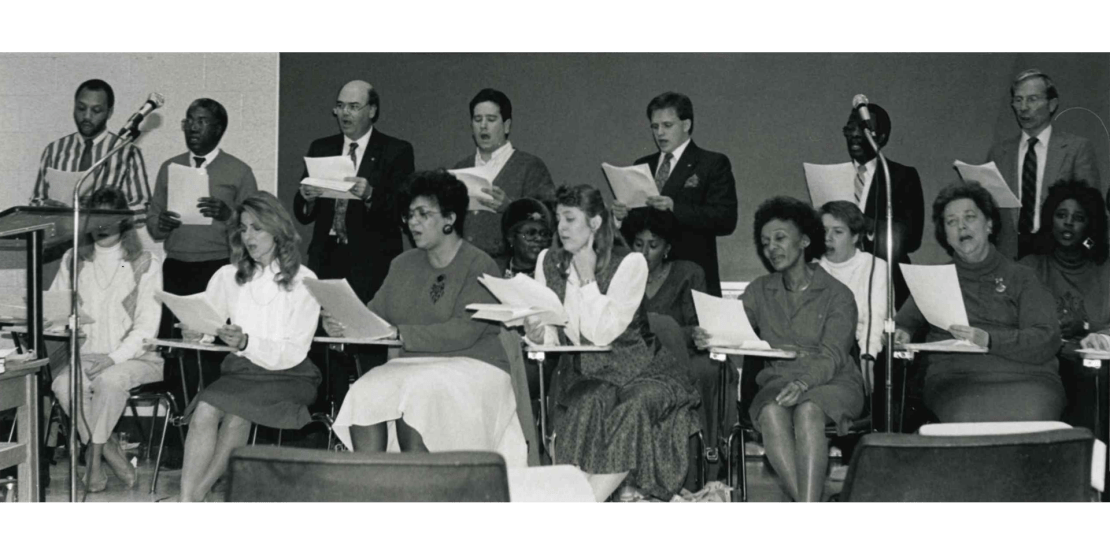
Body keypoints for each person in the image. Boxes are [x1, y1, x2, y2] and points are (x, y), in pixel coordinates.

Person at [330, 171, 527, 468]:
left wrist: (400, 333)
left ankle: (422, 495)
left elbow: (465, 332)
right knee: (365, 390)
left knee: (417, 394)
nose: (413, 222)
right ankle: (368, 490)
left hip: (474, 365)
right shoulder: (402, 264)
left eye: (423, 214)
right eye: (410, 215)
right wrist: (346, 325)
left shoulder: (479, 263)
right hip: (412, 366)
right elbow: (374, 315)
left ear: (449, 218)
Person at [524, 184, 700, 502]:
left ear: (594, 223)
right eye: (559, 219)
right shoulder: (547, 261)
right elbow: (553, 329)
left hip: (643, 370)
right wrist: (538, 334)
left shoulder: (630, 264)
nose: (561, 227)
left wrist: (588, 279)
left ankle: (582, 504)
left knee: (634, 407)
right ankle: (581, 498)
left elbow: (603, 334)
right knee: (585, 403)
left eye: (570, 219)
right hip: (588, 373)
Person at [695, 197, 863, 503]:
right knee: (771, 412)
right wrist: (707, 335)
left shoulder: (838, 294)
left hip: (833, 381)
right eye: (765, 242)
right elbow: (731, 327)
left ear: (805, 241)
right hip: (778, 382)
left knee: (809, 410)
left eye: (780, 238)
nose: (771, 248)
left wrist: (803, 384)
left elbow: (834, 355)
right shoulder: (759, 290)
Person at [176, 192, 322, 503]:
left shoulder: (304, 279)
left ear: (277, 230)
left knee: (236, 413)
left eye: (257, 228)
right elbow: (208, 325)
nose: (248, 236)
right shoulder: (228, 276)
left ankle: (198, 493)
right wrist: (195, 333)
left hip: (290, 374)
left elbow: (295, 349)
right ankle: (187, 499)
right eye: (243, 228)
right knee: (205, 410)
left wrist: (246, 342)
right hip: (242, 372)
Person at [894, 182, 1063, 423]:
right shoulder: (934, 280)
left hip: (1028, 378)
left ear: (990, 224)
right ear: (946, 235)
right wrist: (902, 332)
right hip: (957, 380)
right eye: (951, 222)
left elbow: (1047, 338)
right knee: (967, 419)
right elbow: (904, 324)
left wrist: (990, 340)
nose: (961, 226)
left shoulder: (1023, 277)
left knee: (1031, 418)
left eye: (969, 217)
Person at [50, 187, 163, 492]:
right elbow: (57, 312)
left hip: (138, 358)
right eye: (94, 217)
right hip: (86, 356)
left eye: (108, 218)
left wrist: (113, 358)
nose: (101, 226)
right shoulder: (74, 259)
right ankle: (112, 453)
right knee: (62, 384)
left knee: (109, 382)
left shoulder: (145, 262)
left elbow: (146, 328)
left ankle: (95, 460)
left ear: (124, 221)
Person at [147, 98, 258, 394]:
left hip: (217, 268)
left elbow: (258, 223)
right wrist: (163, 223)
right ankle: (176, 423)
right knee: (176, 347)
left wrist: (228, 215)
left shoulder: (238, 171)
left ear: (218, 128)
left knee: (212, 347)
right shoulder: (169, 167)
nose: (192, 127)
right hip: (176, 267)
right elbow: (153, 222)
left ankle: (211, 411)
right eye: (188, 120)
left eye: (200, 121)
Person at [294, 79, 415, 304]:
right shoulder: (321, 147)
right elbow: (302, 212)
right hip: (326, 256)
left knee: (365, 331)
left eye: (353, 106)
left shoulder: (396, 151)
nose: (344, 113)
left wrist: (371, 194)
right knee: (324, 327)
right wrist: (307, 197)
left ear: (372, 110)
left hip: (372, 260)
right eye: (340, 106)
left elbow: (403, 210)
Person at [618, 207, 726, 454]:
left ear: (667, 248)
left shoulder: (688, 273)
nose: (644, 253)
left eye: (653, 245)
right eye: (637, 244)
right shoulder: (620, 277)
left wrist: (666, 331)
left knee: (705, 370)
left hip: (683, 355)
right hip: (634, 358)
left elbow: (701, 327)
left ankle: (699, 453)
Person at [612, 92, 738, 297]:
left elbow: (726, 220)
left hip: (691, 281)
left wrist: (675, 207)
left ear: (686, 124)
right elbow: (636, 230)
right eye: (655, 127)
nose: (659, 133)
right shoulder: (642, 165)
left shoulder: (712, 163)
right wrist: (620, 217)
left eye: (667, 125)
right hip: (645, 282)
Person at [1019, 181, 1109, 428]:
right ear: (1050, 220)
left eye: (1078, 217)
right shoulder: (1030, 267)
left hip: (1095, 369)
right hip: (1045, 366)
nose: (1068, 223)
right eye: (1061, 215)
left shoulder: (1104, 270)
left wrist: (1091, 329)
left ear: (1090, 225)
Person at [987, 69, 1102, 259]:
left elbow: (1092, 212)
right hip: (1009, 257)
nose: (1023, 107)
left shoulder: (1076, 149)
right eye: (1018, 100)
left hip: (1059, 257)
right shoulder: (999, 153)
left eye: (1032, 99)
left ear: (1052, 104)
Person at [452, 88, 556, 257]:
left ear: (507, 126)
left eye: (491, 119)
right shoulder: (460, 168)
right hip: (466, 268)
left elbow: (549, 221)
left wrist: (510, 208)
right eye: (478, 119)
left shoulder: (530, 166)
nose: (483, 126)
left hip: (511, 268)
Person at [842, 102, 924, 309]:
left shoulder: (899, 177)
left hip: (886, 281)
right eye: (850, 128)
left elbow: (912, 238)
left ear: (881, 138)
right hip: (841, 281)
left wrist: (866, 224)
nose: (854, 134)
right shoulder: (832, 177)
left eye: (862, 129)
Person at [31, 79, 151, 207]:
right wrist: (47, 208)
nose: (87, 116)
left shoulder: (126, 151)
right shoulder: (54, 150)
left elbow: (143, 205)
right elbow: (35, 201)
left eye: (96, 110)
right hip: (61, 226)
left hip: (106, 227)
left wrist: (111, 211)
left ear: (109, 113)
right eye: (81, 108)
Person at [818, 201, 887, 393]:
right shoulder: (814, 268)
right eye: (824, 231)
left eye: (838, 232)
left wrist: (867, 359)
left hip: (864, 347)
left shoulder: (875, 266)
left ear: (855, 236)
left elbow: (876, 318)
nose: (827, 238)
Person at [495, 197, 554, 278]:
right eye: (530, 233)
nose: (539, 239)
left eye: (544, 234)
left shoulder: (555, 275)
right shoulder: (492, 269)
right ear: (511, 237)